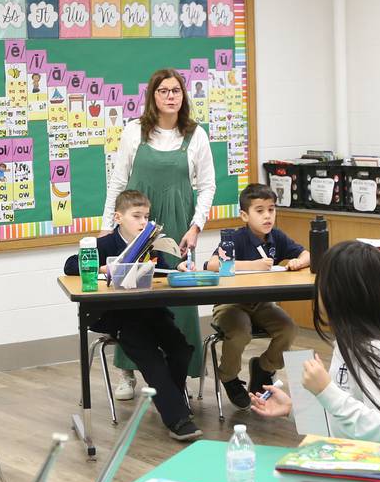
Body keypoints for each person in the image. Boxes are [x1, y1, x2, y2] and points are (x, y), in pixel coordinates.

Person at [101, 68, 216, 401]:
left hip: (179, 222)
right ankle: (126, 370)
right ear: (153, 96)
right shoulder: (134, 132)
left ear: (183, 96)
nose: (170, 96)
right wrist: (110, 224)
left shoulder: (196, 135)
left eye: (176, 90)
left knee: (177, 297)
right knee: (133, 293)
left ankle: (176, 372)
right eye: (163, 91)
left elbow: (207, 186)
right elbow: (119, 181)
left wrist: (196, 227)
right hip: (138, 221)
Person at [249, 242, 380, 445]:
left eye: (324, 284)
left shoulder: (374, 351)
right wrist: (293, 409)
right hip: (347, 458)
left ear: (342, 294)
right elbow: (343, 420)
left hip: (374, 469)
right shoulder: (346, 343)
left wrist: (326, 390)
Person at [66, 191, 202, 441]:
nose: (142, 222)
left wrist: (178, 268)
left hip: (151, 311)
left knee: (182, 348)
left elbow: (160, 271)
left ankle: (169, 397)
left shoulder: (150, 244)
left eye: (146, 217)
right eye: (136, 216)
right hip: (119, 316)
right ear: (118, 217)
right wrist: (102, 267)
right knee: (150, 356)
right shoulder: (104, 243)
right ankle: (177, 418)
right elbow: (70, 265)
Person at [204, 183, 308, 408]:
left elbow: (307, 253)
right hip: (230, 305)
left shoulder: (277, 237)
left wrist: (300, 261)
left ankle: (264, 367)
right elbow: (212, 264)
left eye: (271, 209)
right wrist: (252, 265)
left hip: (261, 304)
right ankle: (229, 377)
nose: (267, 216)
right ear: (244, 215)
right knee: (241, 332)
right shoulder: (237, 238)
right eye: (259, 211)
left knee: (288, 329)